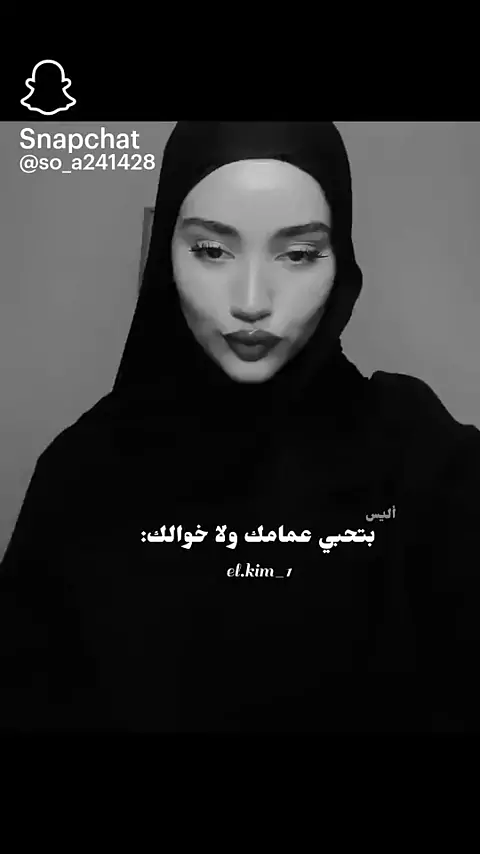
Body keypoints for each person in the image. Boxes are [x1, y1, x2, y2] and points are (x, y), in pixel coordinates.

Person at [1, 121, 479, 733]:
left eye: (298, 254)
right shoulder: (82, 474)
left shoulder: (423, 459)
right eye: (211, 250)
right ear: (165, 256)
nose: (252, 301)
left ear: (341, 263)